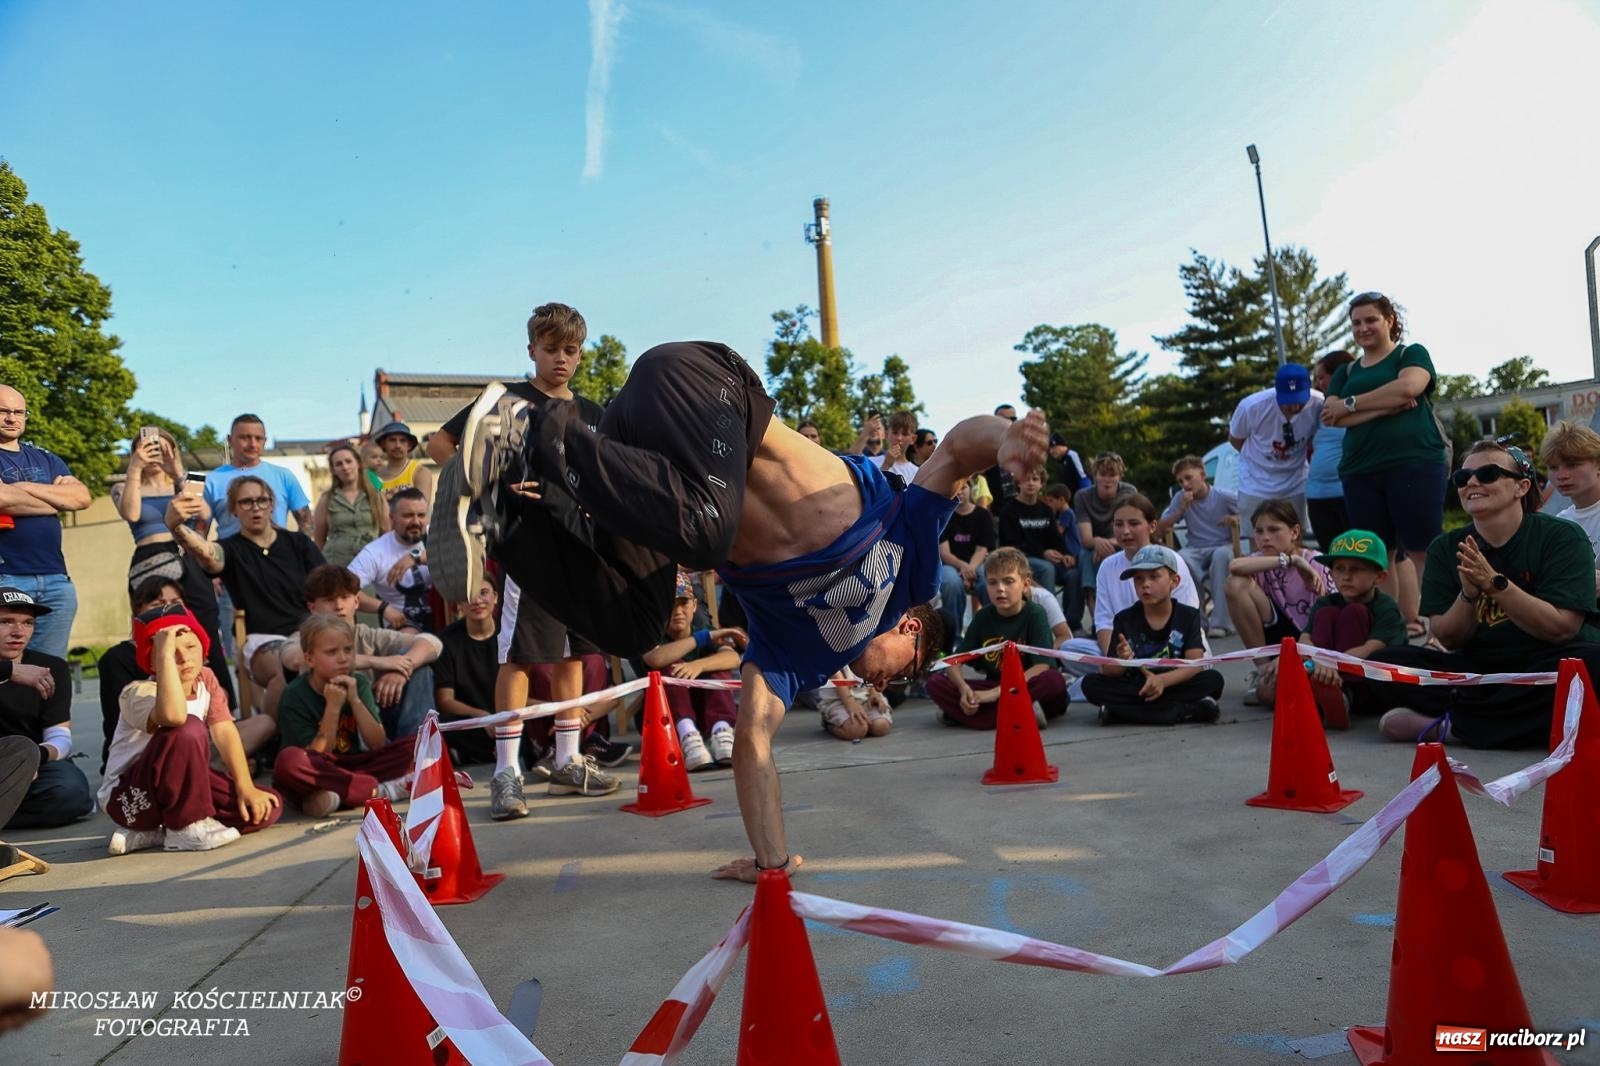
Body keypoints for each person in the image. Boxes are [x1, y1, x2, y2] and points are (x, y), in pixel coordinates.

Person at [445, 337, 1046, 880]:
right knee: (706, 534)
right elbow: (958, 452)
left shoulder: (800, 658)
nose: (888, 682)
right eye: (907, 668)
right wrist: (1008, 441)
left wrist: (772, 861)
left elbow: (754, 742)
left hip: (640, 445)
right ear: (913, 627)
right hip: (706, 388)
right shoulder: (911, 573)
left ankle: (504, 518)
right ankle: (531, 424)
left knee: (639, 626)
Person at [427, 301, 619, 814]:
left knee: (574, 654)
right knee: (518, 655)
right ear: (531, 349)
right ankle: (507, 771)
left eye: (570, 350)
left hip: (581, 546)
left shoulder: (595, 415)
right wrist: (492, 485)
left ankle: (568, 759)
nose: (560, 358)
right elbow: (440, 444)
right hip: (526, 546)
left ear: (581, 355)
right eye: (550, 348)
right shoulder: (505, 403)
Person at [1352, 440, 1600, 747]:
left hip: (1546, 664)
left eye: (1487, 474)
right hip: (1477, 669)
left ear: (1521, 487)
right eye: (1462, 477)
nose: (1471, 482)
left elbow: (1562, 629)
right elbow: (1447, 637)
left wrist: (1496, 584)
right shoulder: (1445, 548)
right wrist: (1467, 595)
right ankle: (1496, 718)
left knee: (1592, 664)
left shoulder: (1561, 536)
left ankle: (1453, 726)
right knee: (1384, 663)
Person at [99, 605, 283, 855]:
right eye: (170, 652)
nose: (184, 658)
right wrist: (161, 652)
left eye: (190, 647)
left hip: (181, 790)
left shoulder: (205, 679)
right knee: (187, 726)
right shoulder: (137, 693)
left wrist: (246, 787)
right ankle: (182, 828)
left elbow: (225, 733)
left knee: (265, 807)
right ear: (152, 661)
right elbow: (173, 716)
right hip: (129, 798)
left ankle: (154, 832)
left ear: (204, 649)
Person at [1320, 293, 1449, 636]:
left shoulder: (1411, 354)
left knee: (1425, 550)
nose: (1363, 328)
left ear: (1389, 320)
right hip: (1360, 470)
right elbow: (1332, 416)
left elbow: (1409, 386)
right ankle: (1390, 635)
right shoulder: (1346, 370)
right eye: (1357, 322)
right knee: (1378, 555)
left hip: (1415, 463)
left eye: (1370, 320)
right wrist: (1385, 406)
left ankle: (1442, 634)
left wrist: (1353, 404)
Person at [168, 476, 326, 718]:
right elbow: (208, 553)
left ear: (272, 505)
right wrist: (177, 528)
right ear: (233, 509)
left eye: (262, 500)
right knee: (291, 665)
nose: (255, 508)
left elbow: (328, 586)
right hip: (261, 641)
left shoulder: (298, 543)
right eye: (246, 502)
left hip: (308, 633)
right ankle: (275, 736)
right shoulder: (230, 549)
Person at [98, 577, 276, 774]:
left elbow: (223, 725)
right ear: (138, 611)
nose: (166, 609)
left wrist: (243, 782)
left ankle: (215, 769)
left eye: (175, 603)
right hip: (150, 754)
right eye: (158, 604)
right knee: (187, 729)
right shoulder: (125, 670)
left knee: (261, 724)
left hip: (198, 736)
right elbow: (167, 717)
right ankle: (212, 771)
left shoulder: (199, 665)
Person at [112, 426, 233, 706]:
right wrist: (135, 467)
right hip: (149, 559)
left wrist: (177, 470)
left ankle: (222, 705)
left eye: (162, 447)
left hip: (187, 556)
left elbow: (204, 514)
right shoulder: (125, 486)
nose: (155, 453)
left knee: (204, 627)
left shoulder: (188, 479)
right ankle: (158, 702)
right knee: (155, 627)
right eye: (147, 447)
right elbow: (130, 512)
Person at [272, 615, 417, 816]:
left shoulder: (358, 682)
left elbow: (377, 743)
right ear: (309, 659)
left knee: (416, 747)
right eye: (332, 652)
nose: (343, 658)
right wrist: (333, 707)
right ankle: (378, 791)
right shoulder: (294, 695)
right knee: (288, 762)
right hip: (316, 768)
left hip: (352, 766)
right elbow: (316, 754)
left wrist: (355, 701)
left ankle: (334, 797)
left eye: (348, 650)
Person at [286, 565, 443, 740]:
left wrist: (402, 668)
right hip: (332, 723)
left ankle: (419, 749)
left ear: (356, 602)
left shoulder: (368, 635)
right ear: (313, 608)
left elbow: (432, 643)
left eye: (345, 597)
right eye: (329, 600)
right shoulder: (303, 637)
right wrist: (376, 662)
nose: (338, 606)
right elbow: (296, 659)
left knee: (421, 669)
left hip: (379, 718)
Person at [1059, 495, 1202, 681]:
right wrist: (1116, 658)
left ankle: (1140, 686)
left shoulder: (1172, 560)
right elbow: (1104, 622)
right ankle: (1128, 681)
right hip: (1125, 651)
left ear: (1151, 526)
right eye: (1119, 524)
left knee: (1202, 673)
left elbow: (1186, 617)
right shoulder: (1107, 566)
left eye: (1134, 524)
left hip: (1172, 650)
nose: (1125, 531)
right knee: (1069, 649)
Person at [1082, 545, 1224, 725]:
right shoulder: (1124, 619)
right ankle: (1184, 710)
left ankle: (1122, 713)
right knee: (1091, 684)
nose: (1145, 585)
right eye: (1139, 579)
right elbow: (1110, 670)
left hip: (1173, 682)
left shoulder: (1188, 616)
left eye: (1154, 577)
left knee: (1213, 680)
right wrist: (1121, 658)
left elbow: (1195, 664)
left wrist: (1162, 681)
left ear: (1175, 581)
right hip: (1137, 685)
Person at [925, 548, 1066, 729]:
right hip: (992, 685)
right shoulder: (983, 617)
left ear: (1025, 584)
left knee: (1054, 682)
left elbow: (1042, 666)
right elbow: (954, 662)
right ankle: (1022, 714)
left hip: (1024, 685)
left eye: (1008, 582)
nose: (1000, 588)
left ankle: (977, 717)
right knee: (935, 683)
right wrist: (964, 691)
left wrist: (997, 693)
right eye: (992, 582)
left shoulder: (1035, 613)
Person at [0, 385, 91, 658]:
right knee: (8, 669)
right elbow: (3, 499)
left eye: (18, 412)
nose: (11, 418)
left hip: (55, 578)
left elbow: (81, 497)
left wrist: (22, 487)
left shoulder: (46, 458)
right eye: (3, 411)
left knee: (51, 669)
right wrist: (54, 502)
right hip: (7, 576)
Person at [1289, 529, 1408, 728]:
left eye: (1356, 569)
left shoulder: (1386, 607)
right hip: (1327, 668)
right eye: (1340, 569)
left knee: (1355, 612)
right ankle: (1321, 691)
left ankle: (1343, 696)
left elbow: (1370, 649)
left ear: (1379, 576)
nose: (1346, 576)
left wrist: (1329, 662)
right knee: (1326, 614)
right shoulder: (1326, 602)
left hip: (1370, 683)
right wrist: (1320, 662)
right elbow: (1305, 640)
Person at [1226, 499, 1334, 707]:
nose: (1265, 537)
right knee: (1235, 584)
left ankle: (1310, 681)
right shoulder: (1259, 560)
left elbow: (1327, 620)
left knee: (1272, 696)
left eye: (1274, 529)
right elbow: (1234, 566)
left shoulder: (1315, 562)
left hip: (1311, 640)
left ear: (1295, 532)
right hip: (1278, 637)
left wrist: (1298, 653)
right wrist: (1292, 560)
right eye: (1259, 531)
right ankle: (1263, 670)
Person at [0, 589, 91, 829]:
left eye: (28, 623)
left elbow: (60, 738)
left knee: (70, 794)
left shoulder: (51, 668)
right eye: (6, 621)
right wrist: (9, 671)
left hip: (38, 764)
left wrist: (33, 759)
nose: (18, 632)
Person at [641, 573, 744, 770]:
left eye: (683, 603)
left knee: (717, 668)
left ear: (694, 606)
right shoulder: (655, 635)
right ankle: (687, 735)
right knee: (672, 666)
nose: (678, 611)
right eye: (672, 605)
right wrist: (704, 638)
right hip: (667, 718)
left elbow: (732, 658)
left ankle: (721, 731)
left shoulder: (702, 628)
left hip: (705, 708)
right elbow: (654, 658)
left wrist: (699, 665)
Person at [1228, 363, 1321, 538]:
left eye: (1299, 401)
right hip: (1256, 484)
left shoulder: (1319, 403)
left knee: (1297, 536)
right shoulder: (1252, 406)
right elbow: (1235, 439)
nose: (1294, 408)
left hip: (1295, 482)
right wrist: (1261, 460)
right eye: (1287, 402)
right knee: (1259, 539)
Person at [1154, 455, 1239, 637]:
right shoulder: (1180, 498)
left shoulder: (1223, 497)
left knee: (1221, 556)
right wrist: (1180, 511)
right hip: (1196, 548)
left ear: (1202, 475)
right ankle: (1198, 621)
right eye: (1180, 481)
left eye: (1188, 478)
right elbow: (1159, 530)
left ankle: (1221, 623)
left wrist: (1235, 518)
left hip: (1221, 545)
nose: (1185, 484)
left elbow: (1251, 514)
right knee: (1181, 558)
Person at [202, 413, 312, 539]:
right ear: (230, 440)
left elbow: (307, 523)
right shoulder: (211, 481)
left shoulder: (283, 476)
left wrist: (298, 553)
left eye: (258, 438)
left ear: (265, 441)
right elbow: (199, 530)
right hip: (230, 556)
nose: (253, 444)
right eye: (245, 438)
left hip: (277, 556)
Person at [432, 577, 502, 766]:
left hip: (507, 715)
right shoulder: (445, 641)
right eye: (469, 596)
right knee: (440, 726)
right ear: (460, 604)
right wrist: (480, 715)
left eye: (484, 593)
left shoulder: (510, 634)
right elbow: (445, 701)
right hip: (471, 722)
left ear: (495, 597)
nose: (477, 601)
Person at [347, 487, 435, 633]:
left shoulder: (438, 537)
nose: (416, 521)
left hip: (447, 619)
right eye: (408, 515)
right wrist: (383, 607)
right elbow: (343, 589)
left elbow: (464, 560)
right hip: (402, 627)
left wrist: (415, 557)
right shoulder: (375, 552)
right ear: (392, 518)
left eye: (421, 515)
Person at [1073, 452, 1137, 619]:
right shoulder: (1083, 497)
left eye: (1112, 474)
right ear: (1095, 476)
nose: (1107, 480)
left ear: (1119, 476)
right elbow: (1086, 538)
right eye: (1103, 474)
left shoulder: (1129, 492)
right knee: (1086, 558)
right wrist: (1098, 543)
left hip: (1123, 543)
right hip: (1093, 548)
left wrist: (1106, 543)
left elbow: (1133, 529)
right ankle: (1097, 620)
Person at [1543, 420, 1600, 598]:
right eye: (1553, 467)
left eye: (1572, 464)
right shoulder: (1560, 523)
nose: (1561, 475)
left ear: (1598, 465)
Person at [995, 466, 1071, 599]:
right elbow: (1011, 544)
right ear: (1018, 483)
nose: (1030, 483)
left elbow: (1056, 538)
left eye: (1035, 479)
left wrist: (1065, 554)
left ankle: (1071, 618)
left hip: (1047, 559)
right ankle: (1048, 614)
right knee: (1046, 568)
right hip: (1019, 560)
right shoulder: (1009, 510)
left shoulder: (1046, 510)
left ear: (1041, 484)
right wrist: (1043, 552)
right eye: (1026, 479)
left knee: (1074, 574)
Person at [1306, 352, 1356, 548]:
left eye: (1321, 377)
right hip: (1317, 495)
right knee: (1330, 556)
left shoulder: (1361, 403)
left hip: (1348, 493)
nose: (1318, 384)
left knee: (1356, 556)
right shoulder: (1319, 408)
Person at [312, 441, 389, 569]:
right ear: (333, 470)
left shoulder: (376, 496)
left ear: (358, 464)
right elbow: (319, 538)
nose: (345, 467)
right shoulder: (327, 499)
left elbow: (386, 533)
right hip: (337, 566)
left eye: (348, 461)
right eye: (339, 464)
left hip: (371, 566)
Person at [938, 478, 995, 640]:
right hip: (952, 564)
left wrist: (969, 568)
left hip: (977, 563)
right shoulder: (945, 515)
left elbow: (982, 549)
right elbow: (944, 552)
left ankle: (992, 635)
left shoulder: (983, 515)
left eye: (964, 487)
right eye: (957, 488)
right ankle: (954, 637)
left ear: (971, 490)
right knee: (951, 583)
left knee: (989, 581)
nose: (961, 491)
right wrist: (963, 568)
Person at [1041, 482, 1084, 633]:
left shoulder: (1066, 513)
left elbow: (1058, 532)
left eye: (1051, 501)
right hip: (1062, 556)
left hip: (1071, 554)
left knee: (1073, 576)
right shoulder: (1063, 514)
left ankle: (1070, 621)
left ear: (1061, 500)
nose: (1049, 504)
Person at [815, 667, 892, 740]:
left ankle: (865, 723)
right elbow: (837, 679)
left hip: (864, 696)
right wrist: (851, 703)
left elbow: (871, 670)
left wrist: (874, 693)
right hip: (838, 699)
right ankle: (829, 724)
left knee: (881, 727)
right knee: (856, 731)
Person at [370, 421, 434, 507]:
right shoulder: (373, 475)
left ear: (409, 445)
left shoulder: (420, 472)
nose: (397, 445)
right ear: (383, 444)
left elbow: (421, 510)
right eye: (392, 440)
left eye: (402, 441)